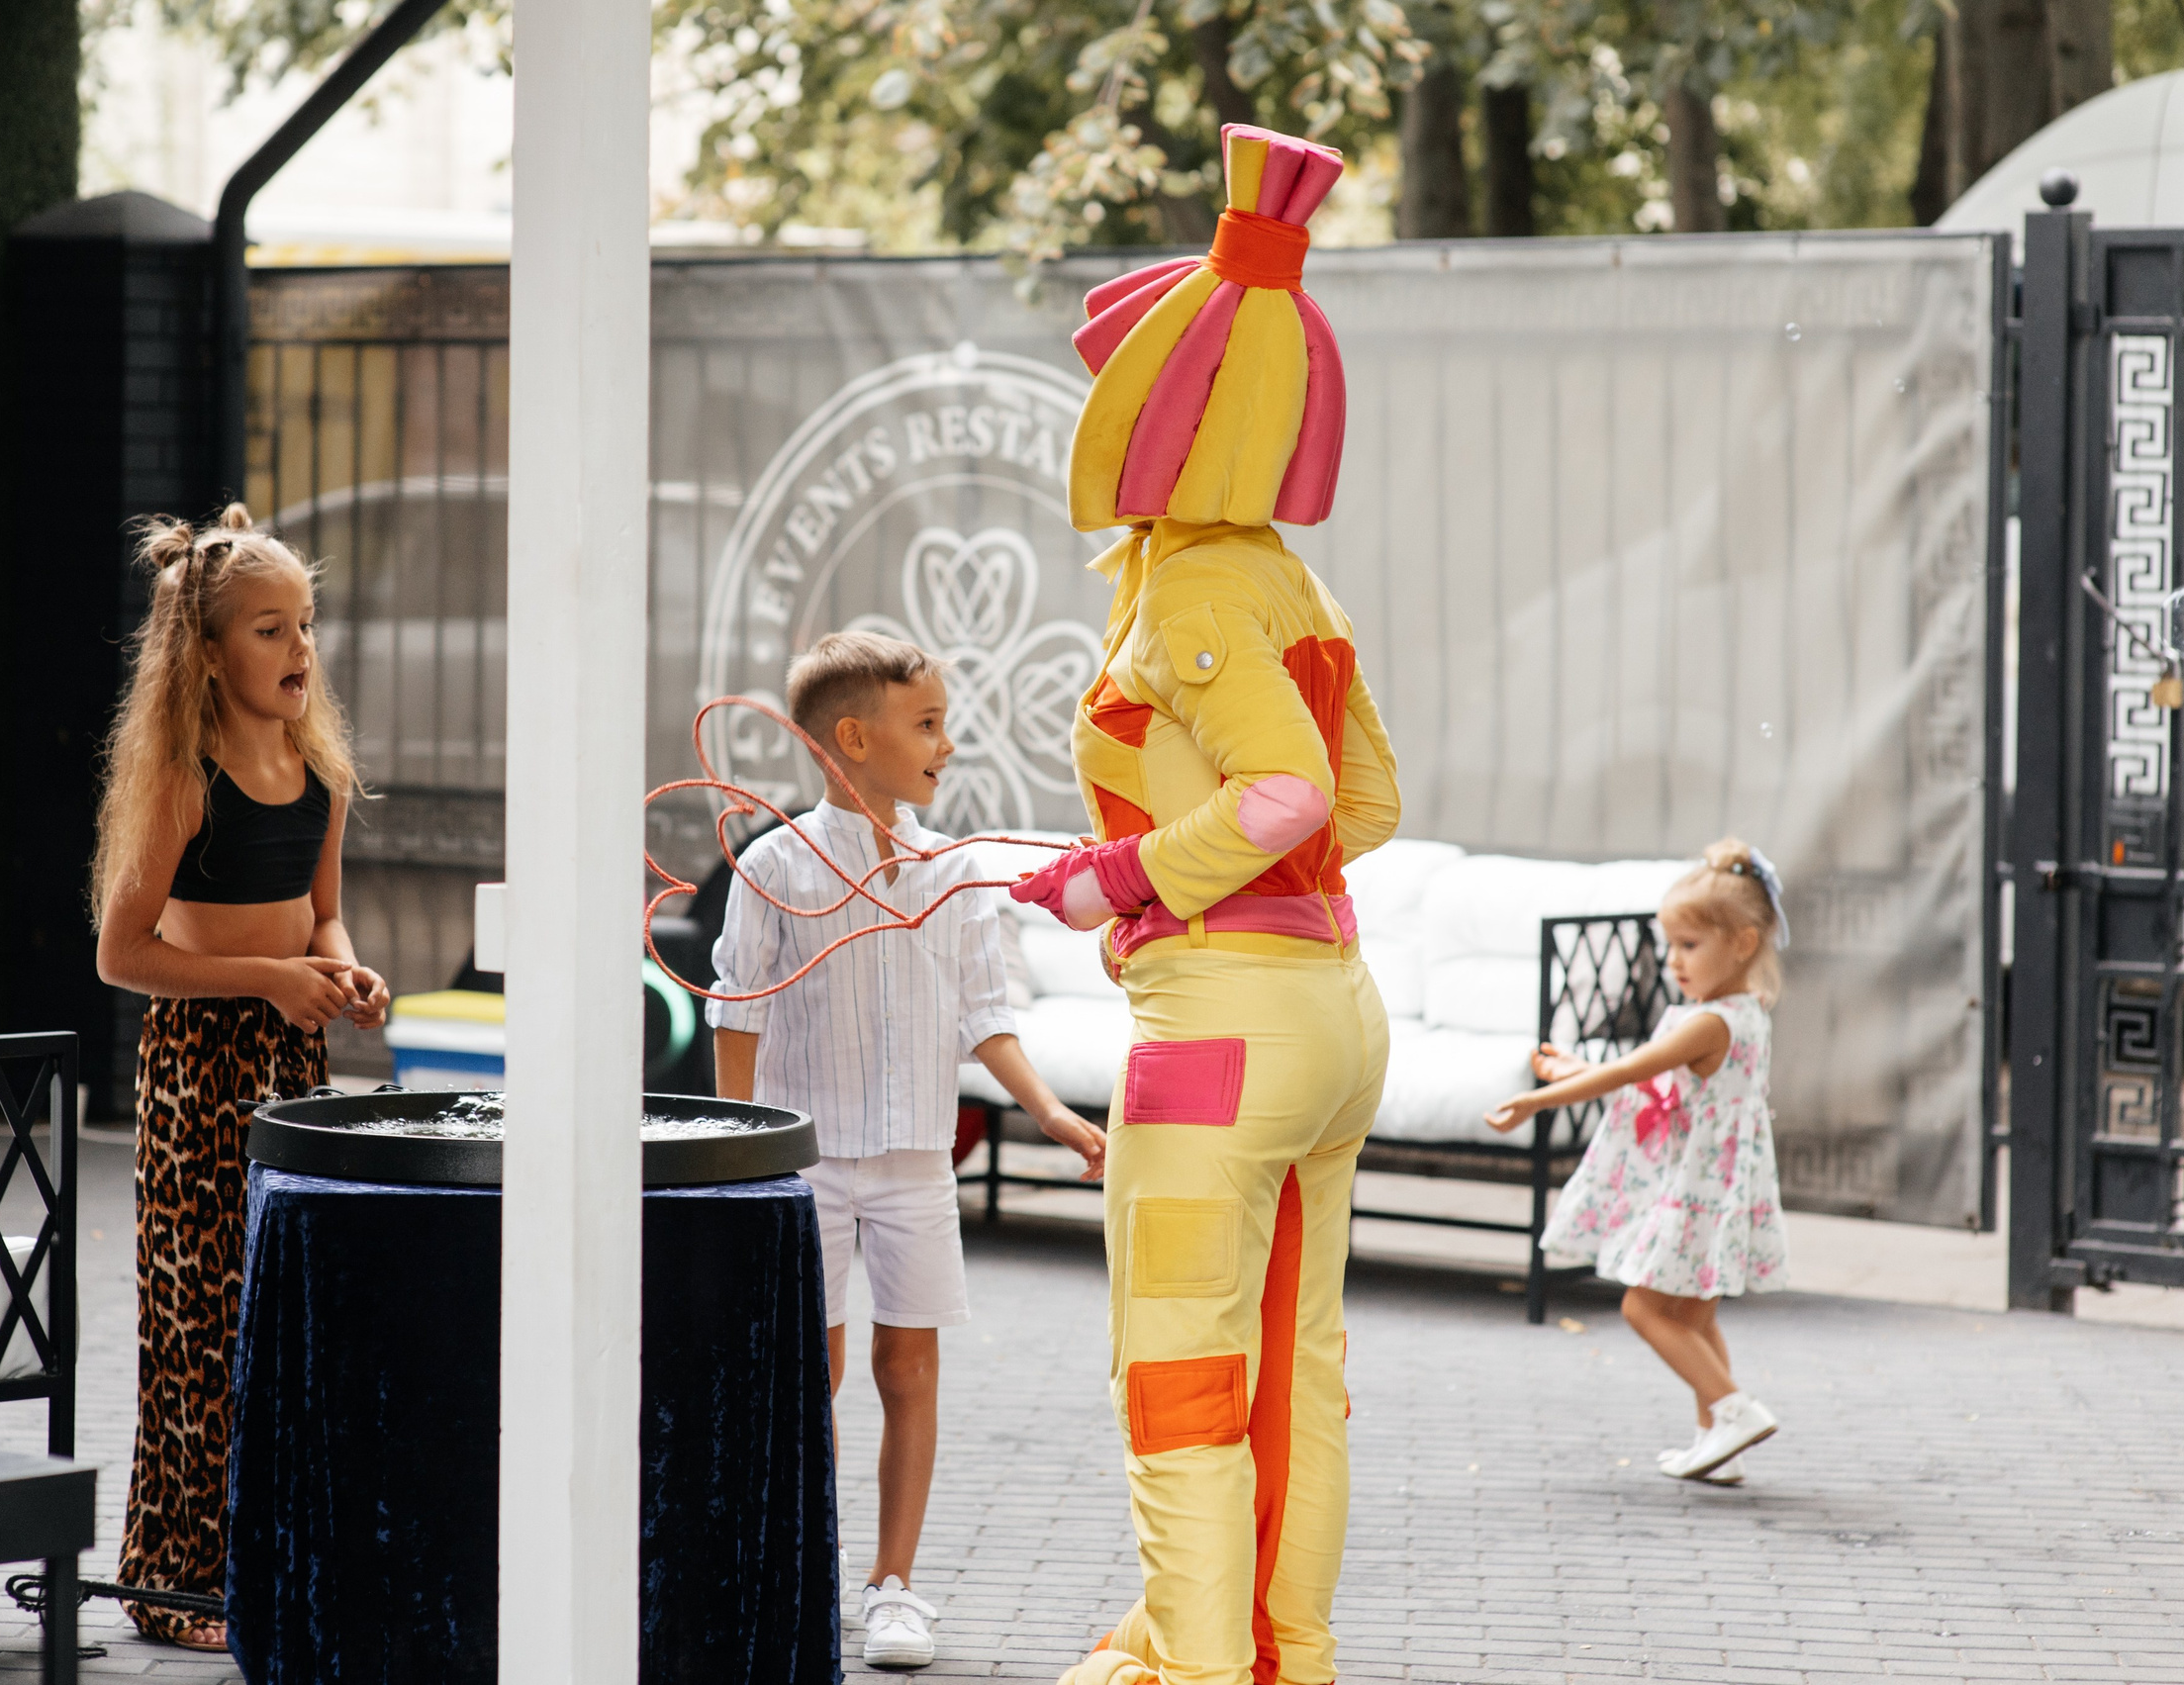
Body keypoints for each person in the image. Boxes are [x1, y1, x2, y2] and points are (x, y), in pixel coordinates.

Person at [1014, 124, 1398, 1685]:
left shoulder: (1187, 588)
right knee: (1298, 1367)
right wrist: (1171, 876)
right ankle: (1272, 1649)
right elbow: (1363, 806)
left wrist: (1117, 880)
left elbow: (1289, 796)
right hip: (1331, 1020)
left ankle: (1190, 1662)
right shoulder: (1289, 578)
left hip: (1220, 1035)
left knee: (1180, 1370)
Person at [710, 629, 1106, 1671]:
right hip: (803, 1163)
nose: (947, 743)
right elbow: (739, 1012)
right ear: (854, 738)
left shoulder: (954, 868)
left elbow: (983, 1012)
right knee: (817, 1369)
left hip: (917, 1159)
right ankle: (812, 1561)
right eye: (926, 724)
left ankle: (894, 1585)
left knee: (910, 1365)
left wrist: (1049, 1109)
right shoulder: (774, 865)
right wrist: (735, 1156)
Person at [92, 504, 390, 1649]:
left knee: (284, 1313)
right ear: (209, 653)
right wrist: (269, 977)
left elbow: (324, 914)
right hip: (199, 1073)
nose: (299, 647)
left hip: (291, 1066)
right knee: (198, 1325)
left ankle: (267, 1559)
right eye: (271, 629)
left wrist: (343, 969)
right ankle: (176, 1577)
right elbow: (122, 955)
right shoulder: (184, 778)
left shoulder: (317, 767)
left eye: (305, 623)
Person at [1487, 838, 1793, 1484]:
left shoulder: (1707, 1023)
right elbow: (1654, 1079)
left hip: (1697, 1191)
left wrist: (1537, 1100)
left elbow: (1629, 1070)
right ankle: (1718, 1440)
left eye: (1690, 944)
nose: (1674, 959)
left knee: (1643, 1309)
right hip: (1722, 1188)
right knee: (1695, 1318)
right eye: (1671, 944)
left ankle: (1735, 1410)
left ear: (1742, 943)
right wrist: (1577, 1068)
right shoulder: (1743, 1013)